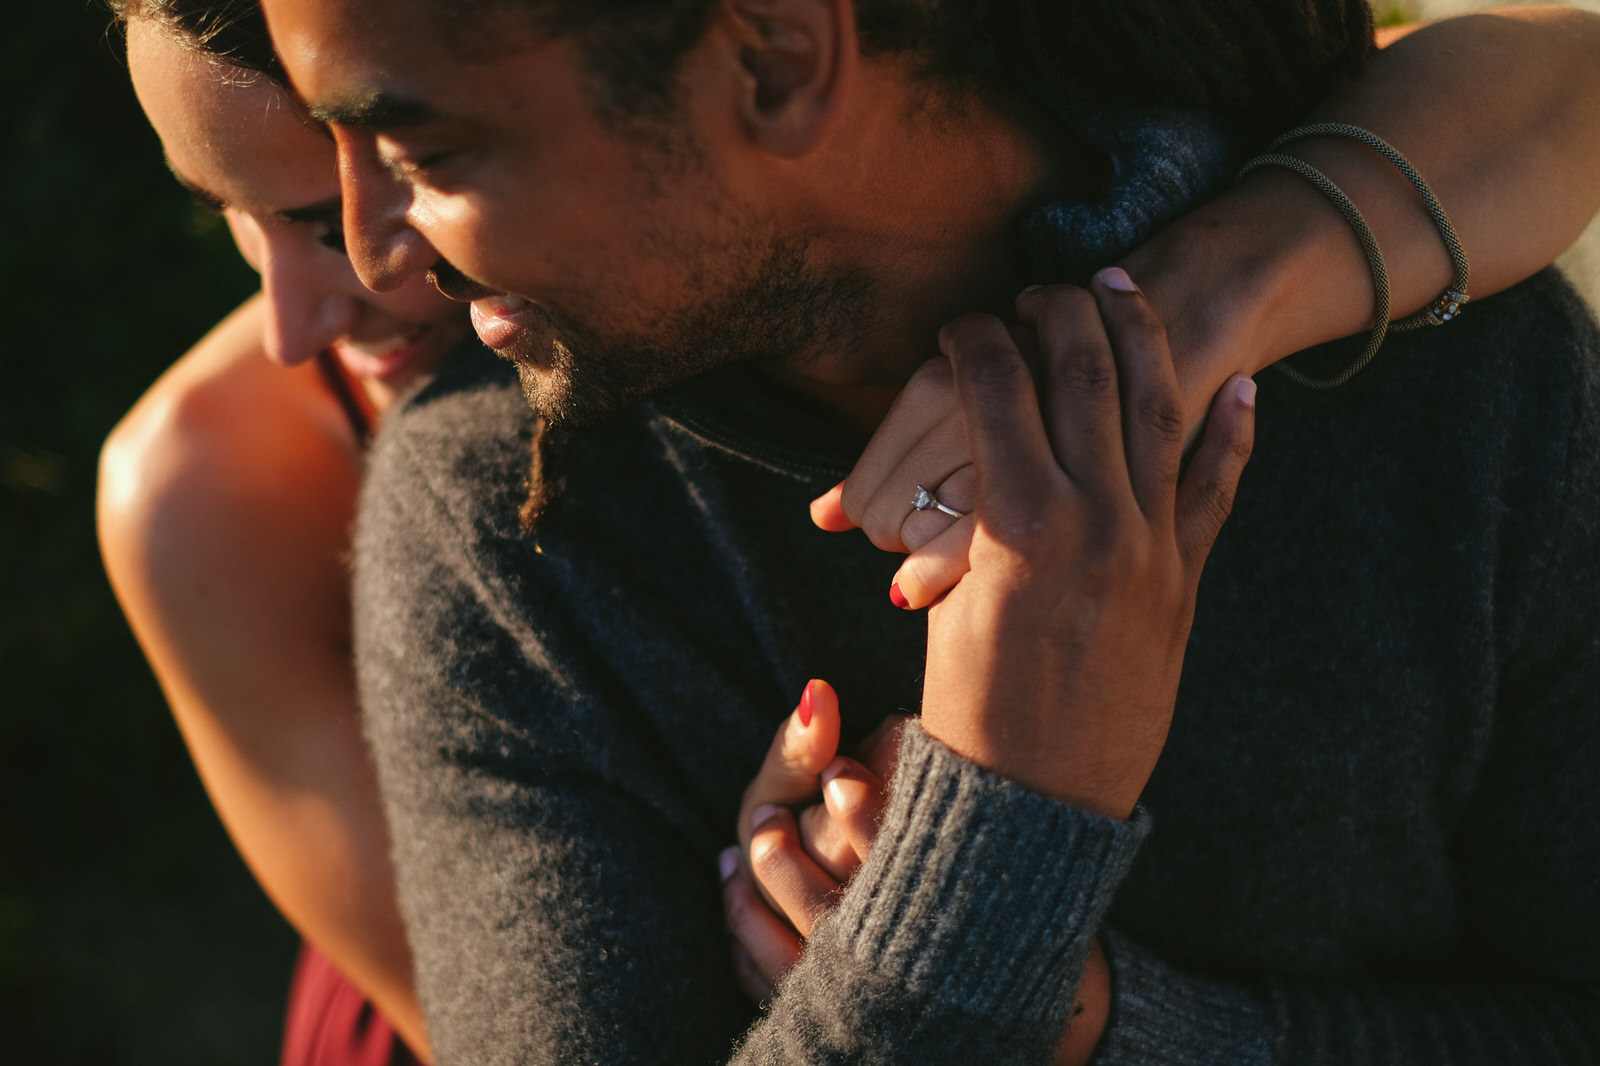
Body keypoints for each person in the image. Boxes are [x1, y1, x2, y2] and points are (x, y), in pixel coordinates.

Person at [250, 0, 1600, 1062]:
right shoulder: (498, 526)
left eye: (427, 152)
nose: (374, 256)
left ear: (777, 58)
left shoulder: (1454, 368)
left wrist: (1055, 998)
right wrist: (1008, 852)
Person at [96, 0, 468, 1060]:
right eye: (231, 211)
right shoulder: (204, 483)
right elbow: (480, 1013)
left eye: (318, 219)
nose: (291, 325)